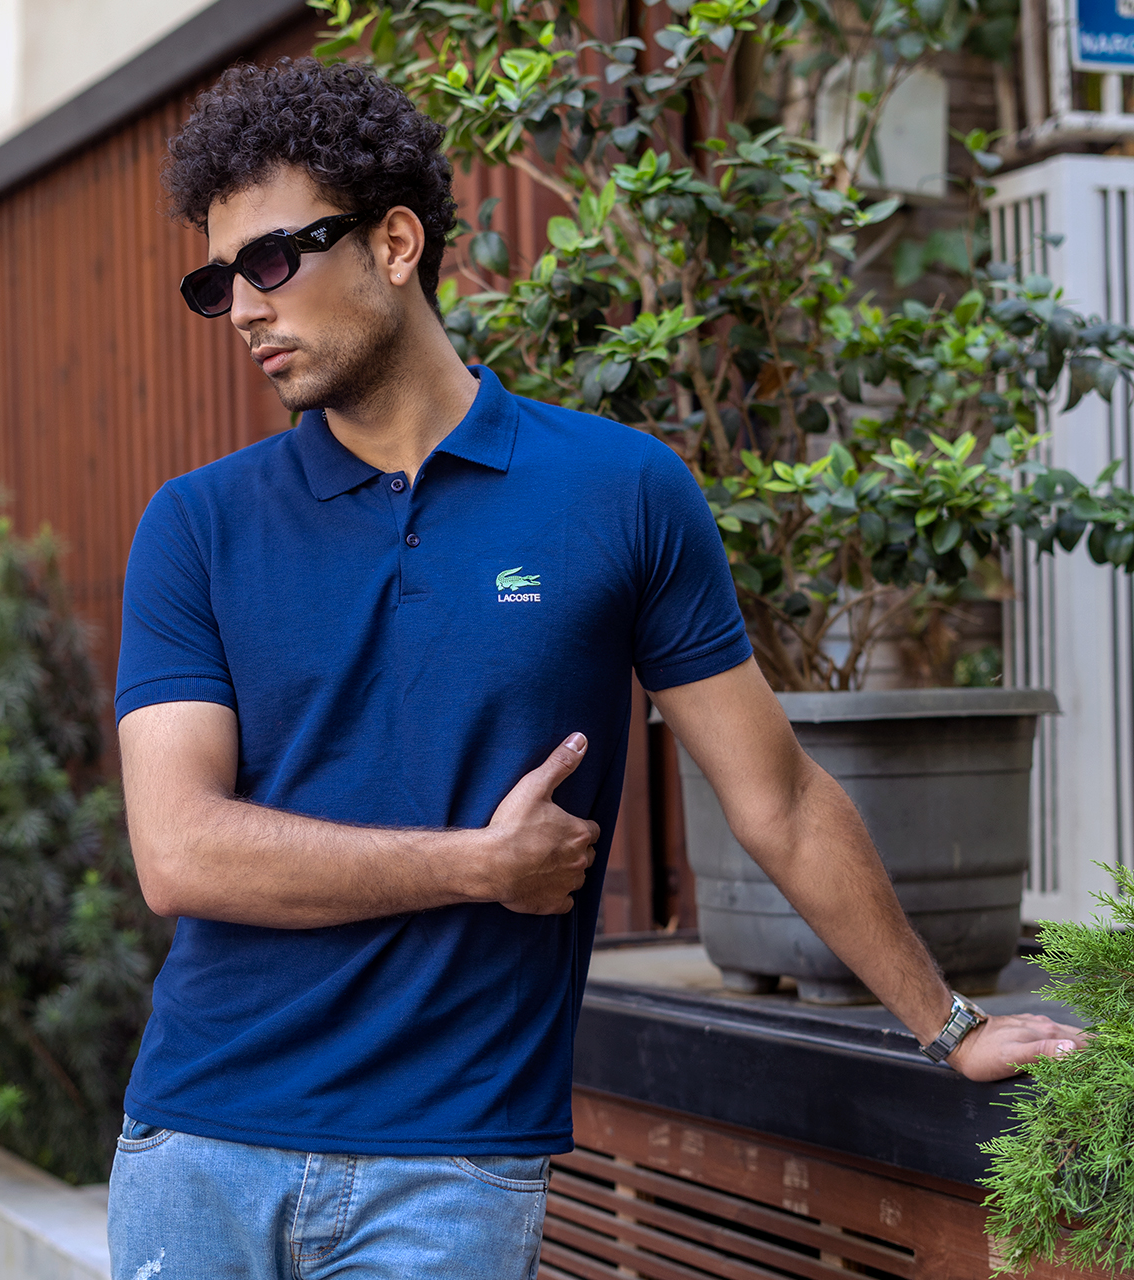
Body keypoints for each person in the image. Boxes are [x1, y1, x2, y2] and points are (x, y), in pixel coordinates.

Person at [108, 56, 1084, 1280]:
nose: (242, 308)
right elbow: (179, 852)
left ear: (394, 242)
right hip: (197, 1145)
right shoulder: (197, 525)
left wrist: (949, 1024)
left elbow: (777, 797)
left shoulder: (618, 491)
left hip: (449, 1168)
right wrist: (476, 865)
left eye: (268, 260)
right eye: (217, 281)